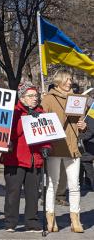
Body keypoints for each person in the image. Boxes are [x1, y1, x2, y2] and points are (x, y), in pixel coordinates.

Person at [0, 81, 51, 232]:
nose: (35, 98)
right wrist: (27, 119)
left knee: (33, 193)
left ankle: (31, 221)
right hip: (15, 159)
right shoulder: (13, 112)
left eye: (36, 95)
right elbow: (13, 134)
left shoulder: (41, 113)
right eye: (30, 96)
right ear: (21, 97)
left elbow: (47, 135)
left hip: (35, 159)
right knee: (13, 192)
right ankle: (10, 222)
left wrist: (47, 147)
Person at [41, 69, 87, 233]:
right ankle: (50, 219)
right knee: (52, 185)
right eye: (67, 79)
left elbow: (79, 123)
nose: (70, 82)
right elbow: (41, 121)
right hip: (54, 147)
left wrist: (82, 126)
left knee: (75, 186)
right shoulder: (48, 99)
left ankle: (76, 220)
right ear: (59, 81)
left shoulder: (76, 99)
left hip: (72, 148)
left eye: (71, 79)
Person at [80, 111, 94, 190]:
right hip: (89, 141)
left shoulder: (91, 112)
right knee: (85, 161)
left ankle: (91, 183)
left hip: (89, 142)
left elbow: (90, 130)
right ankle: (86, 183)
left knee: (86, 161)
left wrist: (80, 137)